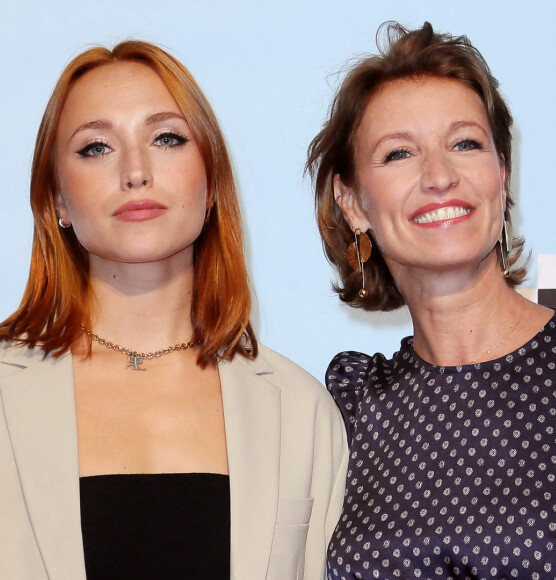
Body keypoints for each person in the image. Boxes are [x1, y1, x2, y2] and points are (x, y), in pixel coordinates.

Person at [0, 40, 347, 580]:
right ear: (57, 200)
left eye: (166, 138)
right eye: (96, 147)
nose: (136, 172)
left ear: (211, 185)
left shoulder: (301, 411)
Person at [307, 21, 556, 579]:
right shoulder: (350, 407)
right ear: (353, 202)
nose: (439, 176)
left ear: (501, 177)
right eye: (399, 153)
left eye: (464, 144)